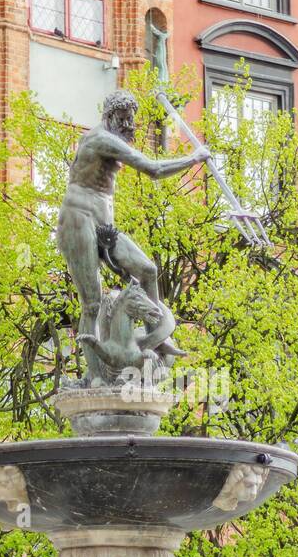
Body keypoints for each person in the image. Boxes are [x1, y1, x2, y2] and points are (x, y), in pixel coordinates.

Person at [57, 89, 208, 380]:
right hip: (77, 220)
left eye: (132, 120)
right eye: (124, 119)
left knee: (148, 269)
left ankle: (157, 339)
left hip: (103, 224)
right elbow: (152, 169)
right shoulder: (102, 139)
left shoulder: (110, 138)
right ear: (110, 117)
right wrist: (194, 158)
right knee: (92, 303)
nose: (130, 126)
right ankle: (94, 375)